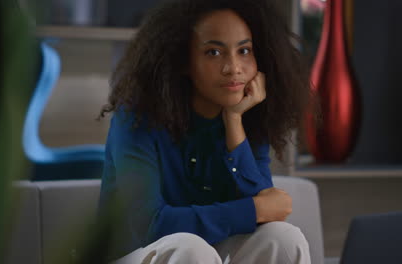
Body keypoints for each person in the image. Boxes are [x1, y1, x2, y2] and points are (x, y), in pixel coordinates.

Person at [98, 0, 314, 263]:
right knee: (190, 248)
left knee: (283, 237)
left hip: (207, 255)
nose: (233, 67)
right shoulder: (135, 118)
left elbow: (264, 210)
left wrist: (234, 122)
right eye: (214, 52)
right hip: (135, 255)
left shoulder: (247, 119)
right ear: (183, 61)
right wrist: (252, 210)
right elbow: (151, 225)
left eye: (244, 50)